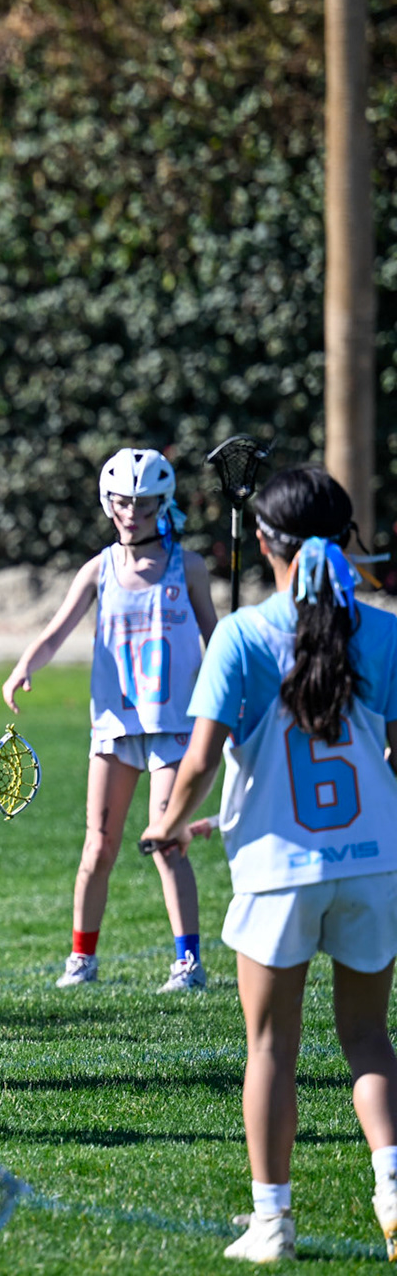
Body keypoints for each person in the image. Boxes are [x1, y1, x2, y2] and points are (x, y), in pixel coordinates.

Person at [141, 467, 397, 1263]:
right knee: (368, 1037)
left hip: (280, 872)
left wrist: (166, 825)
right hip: (376, 861)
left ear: (263, 541)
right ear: (346, 538)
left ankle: (272, 1224)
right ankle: (393, 1185)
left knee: (271, 1048)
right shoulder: (385, 631)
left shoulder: (243, 634)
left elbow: (198, 761)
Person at [3, 447, 219, 991]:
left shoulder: (188, 567)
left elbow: (218, 641)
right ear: (108, 502)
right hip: (115, 726)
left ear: (162, 505)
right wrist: (25, 666)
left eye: (144, 504)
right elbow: (56, 630)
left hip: (173, 726)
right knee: (98, 846)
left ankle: (188, 963)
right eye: (123, 502)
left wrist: (235, 687)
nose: (132, 514)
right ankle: (82, 959)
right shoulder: (99, 569)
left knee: (166, 842)